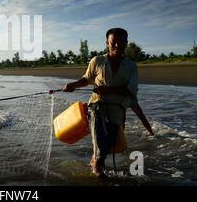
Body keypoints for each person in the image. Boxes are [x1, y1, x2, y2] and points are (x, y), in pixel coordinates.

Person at [63, 28, 153, 176]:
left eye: (121, 42)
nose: (117, 46)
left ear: (126, 43)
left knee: (108, 146)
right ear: (107, 43)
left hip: (117, 111)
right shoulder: (97, 61)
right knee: (100, 147)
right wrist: (73, 85)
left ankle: (96, 163)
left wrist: (108, 90)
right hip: (96, 107)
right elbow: (86, 79)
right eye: (113, 42)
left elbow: (130, 92)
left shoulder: (131, 67)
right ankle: (99, 174)